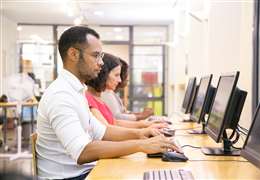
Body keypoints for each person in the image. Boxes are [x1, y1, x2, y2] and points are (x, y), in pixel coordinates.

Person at [36, 26, 179, 179]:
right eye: (96, 56)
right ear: (73, 54)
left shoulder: (76, 91)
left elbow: (103, 132)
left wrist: (141, 133)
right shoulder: (61, 95)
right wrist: (141, 145)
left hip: (83, 172)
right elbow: (82, 151)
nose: (101, 63)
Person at [85, 53, 167, 129]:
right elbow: (107, 131)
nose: (121, 80)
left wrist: (145, 125)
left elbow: (114, 122)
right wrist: (142, 130)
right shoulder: (92, 98)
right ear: (103, 74)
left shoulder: (98, 98)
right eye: (116, 75)